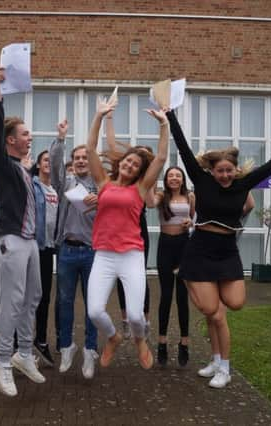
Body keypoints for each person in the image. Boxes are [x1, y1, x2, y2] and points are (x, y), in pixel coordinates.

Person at [166, 108, 271, 388]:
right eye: (220, 171)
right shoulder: (201, 180)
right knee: (212, 311)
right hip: (201, 249)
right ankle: (222, 367)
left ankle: (218, 356)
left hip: (227, 251)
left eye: (229, 170)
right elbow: (182, 147)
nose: (225, 175)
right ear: (212, 170)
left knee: (235, 304)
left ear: (235, 170)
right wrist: (171, 117)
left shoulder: (244, 183)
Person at [85, 96, 169, 370]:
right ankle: (112, 337)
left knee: (135, 315)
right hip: (104, 255)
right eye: (128, 161)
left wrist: (164, 126)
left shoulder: (140, 190)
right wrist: (99, 116)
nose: (130, 165)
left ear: (139, 172)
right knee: (94, 310)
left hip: (131, 254)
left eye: (135, 165)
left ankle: (140, 340)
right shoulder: (103, 183)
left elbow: (161, 158)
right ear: (121, 162)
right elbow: (90, 149)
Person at [0, 67, 45, 397]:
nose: (29, 138)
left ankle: (25, 354)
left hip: (29, 242)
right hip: (9, 240)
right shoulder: (2, 163)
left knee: (32, 297)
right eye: (25, 134)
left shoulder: (23, 170)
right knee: (12, 300)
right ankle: (2, 360)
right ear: (11, 140)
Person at [50, 122, 100, 379]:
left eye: (84, 157)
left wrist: (100, 200)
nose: (81, 161)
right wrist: (60, 139)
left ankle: (91, 349)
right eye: (77, 158)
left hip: (93, 252)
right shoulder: (65, 183)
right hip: (67, 251)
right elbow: (56, 165)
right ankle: (67, 345)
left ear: (91, 162)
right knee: (65, 301)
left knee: (93, 305)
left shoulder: (101, 185)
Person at [104, 110, 152, 339]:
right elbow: (112, 145)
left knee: (139, 276)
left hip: (137, 228)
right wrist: (110, 117)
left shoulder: (144, 183)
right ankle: (125, 318)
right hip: (115, 229)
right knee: (120, 279)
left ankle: (144, 318)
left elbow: (151, 203)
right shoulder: (122, 172)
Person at [198, 192, 254, 382]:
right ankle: (215, 360)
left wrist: (241, 181)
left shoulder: (234, 210)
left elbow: (251, 204)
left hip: (225, 266)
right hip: (206, 262)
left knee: (219, 317)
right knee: (210, 315)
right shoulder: (208, 210)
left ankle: (225, 368)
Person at [148, 166, 195, 367]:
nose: (174, 178)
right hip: (165, 246)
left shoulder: (190, 196)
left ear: (182, 179)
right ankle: (162, 342)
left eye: (178, 175)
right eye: (170, 176)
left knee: (182, 297)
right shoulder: (160, 197)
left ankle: (184, 343)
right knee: (166, 296)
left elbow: (195, 219)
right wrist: (151, 174)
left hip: (184, 246)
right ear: (165, 180)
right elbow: (149, 203)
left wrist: (189, 223)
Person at [30, 149, 59, 367]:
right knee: (27, 297)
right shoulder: (32, 185)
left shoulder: (57, 188)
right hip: (33, 246)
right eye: (46, 160)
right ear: (39, 165)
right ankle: (18, 344)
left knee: (44, 297)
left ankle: (40, 340)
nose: (50, 163)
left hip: (49, 247)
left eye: (53, 160)